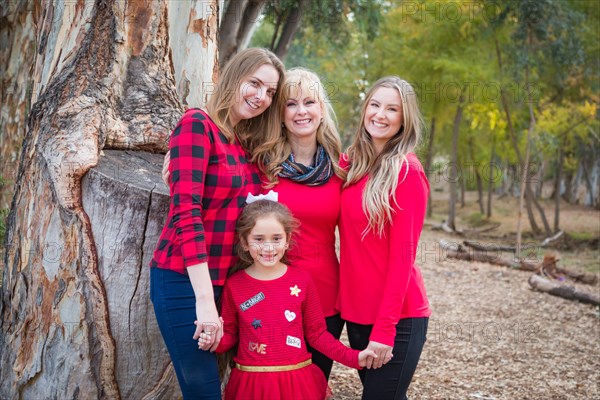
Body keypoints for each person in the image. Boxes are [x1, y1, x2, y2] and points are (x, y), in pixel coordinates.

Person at [149, 48, 285, 399]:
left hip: (228, 282)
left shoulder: (242, 145)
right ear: (234, 77)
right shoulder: (198, 124)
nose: (261, 97)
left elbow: (251, 211)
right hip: (183, 279)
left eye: (270, 92)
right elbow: (187, 213)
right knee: (203, 389)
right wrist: (205, 302)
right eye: (254, 84)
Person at [198, 198, 375, 400]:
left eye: (276, 238)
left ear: (287, 240)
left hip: (296, 382)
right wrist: (214, 341)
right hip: (252, 384)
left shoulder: (301, 280)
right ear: (244, 242)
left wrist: (354, 358)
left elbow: (317, 335)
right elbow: (230, 335)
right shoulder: (235, 285)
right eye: (258, 239)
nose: (268, 247)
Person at [337, 76, 431, 400]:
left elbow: (403, 258)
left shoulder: (407, 171)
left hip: (398, 318)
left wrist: (385, 329)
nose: (380, 114)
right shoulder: (351, 164)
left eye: (392, 109)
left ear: (404, 119)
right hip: (357, 314)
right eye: (375, 105)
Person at [252, 67, 347, 381]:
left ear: (322, 110)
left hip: (325, 295)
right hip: (270, 293)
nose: (301, 111)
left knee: (314, 383)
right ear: (280, 114)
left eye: (309, 102)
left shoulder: (342, 168)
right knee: (273, 383)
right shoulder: (261, 166)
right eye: (291, 104)